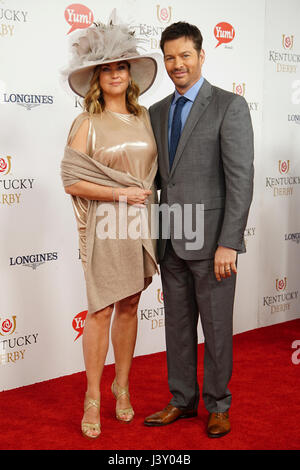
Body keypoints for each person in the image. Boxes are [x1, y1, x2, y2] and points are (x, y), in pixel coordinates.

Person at [144, 22, 254, 438]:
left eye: (185, 55)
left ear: (201, 56)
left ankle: (219, 404)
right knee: (177, 326)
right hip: (171, 240)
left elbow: (240, 178)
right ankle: (181, 399)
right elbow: (157, 179)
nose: (177, 64)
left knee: (217, 327)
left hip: (213, 245)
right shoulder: (155, 112)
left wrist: (230, 242)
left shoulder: (229, 105)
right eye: (169, 57)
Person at [61, 12, 160, 439]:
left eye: (122, 66)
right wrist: (121, 194)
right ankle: (92, 396)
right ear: (96, 78)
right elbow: (71, 179)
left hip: (141, 223)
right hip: (106, 223)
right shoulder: (86, 123)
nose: (115, 74)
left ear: (130, 73)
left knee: (132, 305)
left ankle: (123, 388)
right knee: (100, 309)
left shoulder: (144, 117)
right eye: (107, 68)